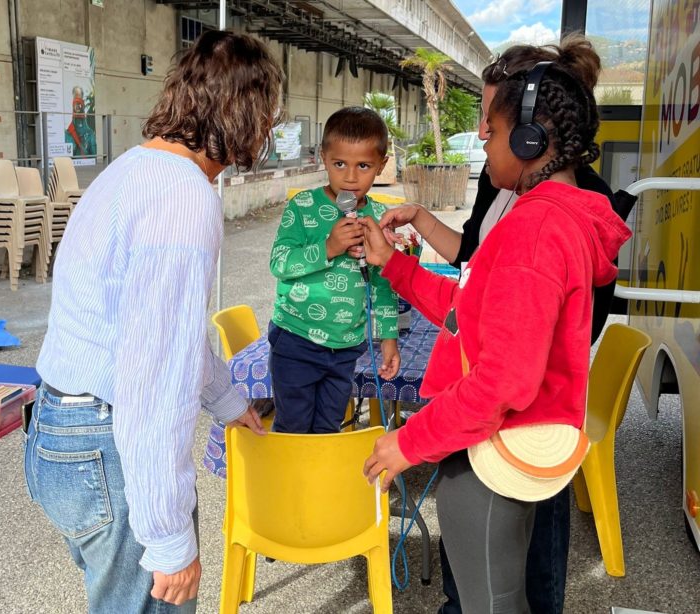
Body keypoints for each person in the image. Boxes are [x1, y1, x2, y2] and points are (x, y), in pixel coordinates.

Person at [361, 50, 631, 613]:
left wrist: (408, 442)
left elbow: (504, 380)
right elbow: (470, 311)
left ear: (531, 139)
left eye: (496, 127)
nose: (483, 136)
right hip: (504, 442)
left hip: (488, 452)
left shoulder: (533, 231)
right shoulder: (555, 218)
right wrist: (396, 265)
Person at [24, 31, 281, 613]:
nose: (268, 132)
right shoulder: (182, 199)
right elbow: (153, 380)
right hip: (106, 445)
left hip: (58, 432)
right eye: (268, 115)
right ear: (244, 113)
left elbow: (161, 337)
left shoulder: (132, 169)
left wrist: (224, 398)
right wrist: (167, 537)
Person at [268, 106, 400, 433]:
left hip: (345, 347)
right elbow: (279, 263)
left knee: (329, 427)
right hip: (296, 340)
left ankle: (319, 484)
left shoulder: (381, 217)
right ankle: (290, 485)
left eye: (364, 166)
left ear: (381, 166)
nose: (351, 177)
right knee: (294, 429)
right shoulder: (302, 207)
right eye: (340, 164)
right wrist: (328, 247)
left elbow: (385, 284)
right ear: (324, 158)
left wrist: (388, 338)